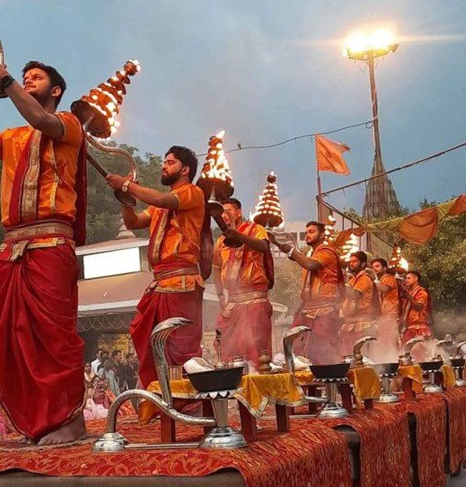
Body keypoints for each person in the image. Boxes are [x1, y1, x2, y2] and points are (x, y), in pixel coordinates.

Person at [0, 48, 87, 445]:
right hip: (13, 246)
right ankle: (38, 422)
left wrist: (5, 79)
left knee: (54, 339)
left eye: (37, 77)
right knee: (9, 334)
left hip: (51, 243)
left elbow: (40, 119)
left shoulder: (68, 124)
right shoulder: (12, 137)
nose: (28, 79)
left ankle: (71, 421)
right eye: (24, 76)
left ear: (57, 90)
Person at [106, 146, 211, 388]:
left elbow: (162, 198)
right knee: (145, 336)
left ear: (185, 170)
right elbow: (133, 222)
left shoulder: (192, 193)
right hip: (160, 283)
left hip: (182, 283)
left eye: (170, 162)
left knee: (180, 347)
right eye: (164, 161)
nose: (164, 166)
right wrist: (125, 200)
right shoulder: (159, 207)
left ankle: (186, 400)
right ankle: (160, 395)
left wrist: (127, 185)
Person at [268, 221, 345, 364]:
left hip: (325, 309)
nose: (307, 235)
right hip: (308, 308)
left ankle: (330, 376)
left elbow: (310, 264)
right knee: (294, 343)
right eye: (307, 232)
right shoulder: (311, 254)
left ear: (322, 235)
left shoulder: (327, 252)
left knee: (322, 351)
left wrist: (292, 251)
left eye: (312, 232)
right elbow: (297, 257)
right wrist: (276, 243)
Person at [212, 198, 274, 365]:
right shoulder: (221, 241)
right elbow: (216, 267)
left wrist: (239, 236)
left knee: (257, 349)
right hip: (232, 303)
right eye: (221, 213)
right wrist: (220, 294)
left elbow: (263, 246)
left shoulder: (256, 229)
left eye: (228, 211)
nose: (224, 216)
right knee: (225, 347)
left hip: (255, 300)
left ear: (239, 212)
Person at [339, 251, 379, 354]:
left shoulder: (365, 279)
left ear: (363, 263)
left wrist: (342, 282)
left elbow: (356, 295)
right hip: (349, 324)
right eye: (350, 261)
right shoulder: (352, 280)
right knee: (347, 355)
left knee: (362, 356)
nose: (351, 264)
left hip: (362, 324)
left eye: (355, 261)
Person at [372, 258, 401, 357]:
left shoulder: (389, 278)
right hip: (383, 316)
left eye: (377, 266)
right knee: (383, 341)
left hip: (391, 314)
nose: (374, 269)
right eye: (373, 267)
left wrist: (373, 279)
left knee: (391, 341)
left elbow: (384, 289)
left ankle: (395, 360)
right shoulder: (381, 280)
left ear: (384, 268)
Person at [400, 270, 433, 356]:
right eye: (406, 278)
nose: (406, 280)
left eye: (409, 278)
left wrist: (408, 296)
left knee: (419, 355)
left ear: (416, 278)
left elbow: (418, 307)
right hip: (409, 328)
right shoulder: (409, 292)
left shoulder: (422, 292)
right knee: (406, 354)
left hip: (419, 329)